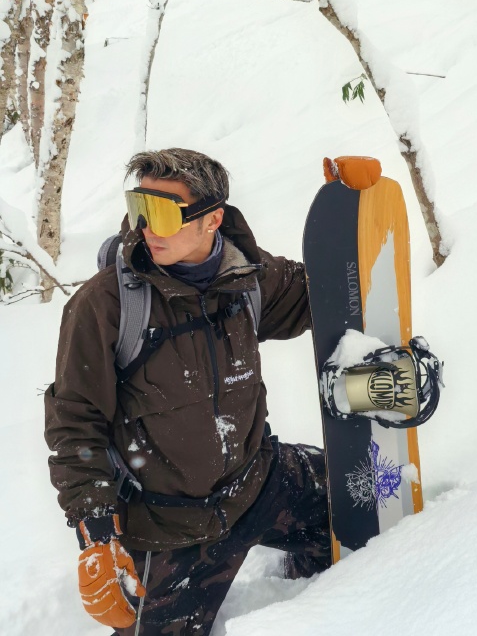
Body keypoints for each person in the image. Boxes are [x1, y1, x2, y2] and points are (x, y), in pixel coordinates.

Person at [45, 148, 330, 635]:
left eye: (162, 213)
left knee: (356, 499)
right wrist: (97, 535)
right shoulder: (105, 306)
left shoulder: (250, 279)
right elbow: (75, 424)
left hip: (255, 483)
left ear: (212, 218)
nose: (146, 229)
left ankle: (310, 604)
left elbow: (336, 294)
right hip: (169, 530)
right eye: (139, 209)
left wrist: (352, 204)